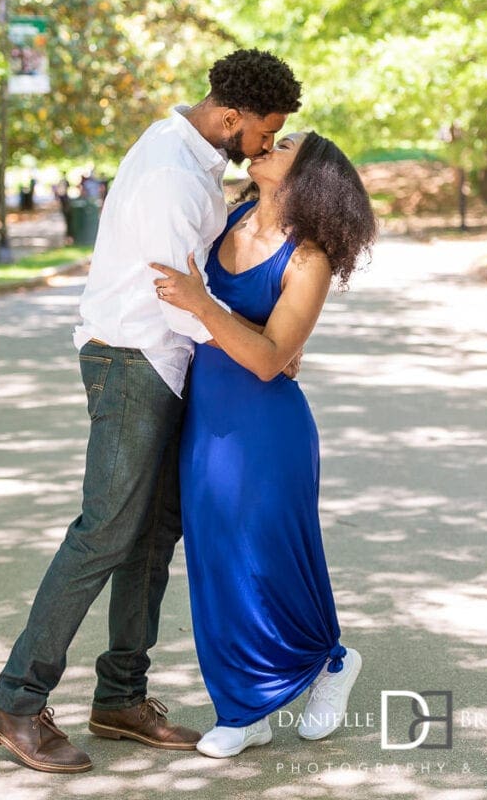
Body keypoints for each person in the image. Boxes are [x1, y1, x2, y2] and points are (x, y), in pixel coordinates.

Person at [0, 48, 303, 773]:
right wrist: (259, 346)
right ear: (230, 116)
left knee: (154, 536)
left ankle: (121, 697)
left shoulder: (195, 164)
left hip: (164, 364)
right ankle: (16, 702)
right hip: (131, 360)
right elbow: (177, 299)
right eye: (262, 131)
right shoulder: (167, 172)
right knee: (106, 533)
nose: (262, 145)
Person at [151, 130, 377, 758]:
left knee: (271, 561)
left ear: (309, 173)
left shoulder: (310, 258)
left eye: (283, 145)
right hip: (207, 419)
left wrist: (203, 306)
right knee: (215, 562)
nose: (264, 146)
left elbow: (272, 360)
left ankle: (330, 663)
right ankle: (243, 708)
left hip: (267, 430)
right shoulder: (232, 218)